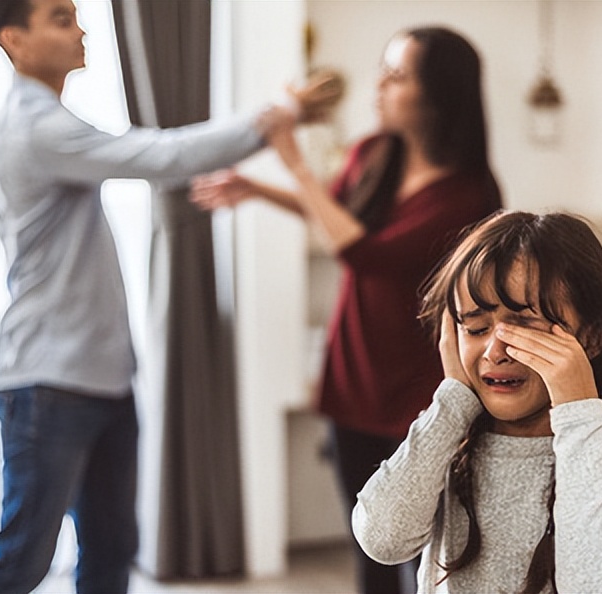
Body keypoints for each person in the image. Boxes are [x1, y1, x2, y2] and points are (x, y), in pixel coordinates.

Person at [0, 1, 340, 593]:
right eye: (61, 18)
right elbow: (162, 157)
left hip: (101, 380)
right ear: (14, 39)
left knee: (112, 552)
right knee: (22, 560)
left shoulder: (51, 120)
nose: (81, 26)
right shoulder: (36, 125)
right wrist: (274, 116)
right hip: (47, 384)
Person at [191, 26, 502, 594]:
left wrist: (294, 165)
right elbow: (341, 215)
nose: (379, 84)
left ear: (437, 94)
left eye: (397, 74)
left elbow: (362, 251)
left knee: (424, 554)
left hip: (423, 390)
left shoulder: (466, 196)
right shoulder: (373, 153)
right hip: (352, 372)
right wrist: (260, 191)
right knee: (370, 544)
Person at [351, 211, 602, 594]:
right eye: (476, 328)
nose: (494, 351)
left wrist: (578, 411)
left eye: (524, 326)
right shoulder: (449, 442)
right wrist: (453, 399)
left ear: (592, 337)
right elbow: (382, 540)